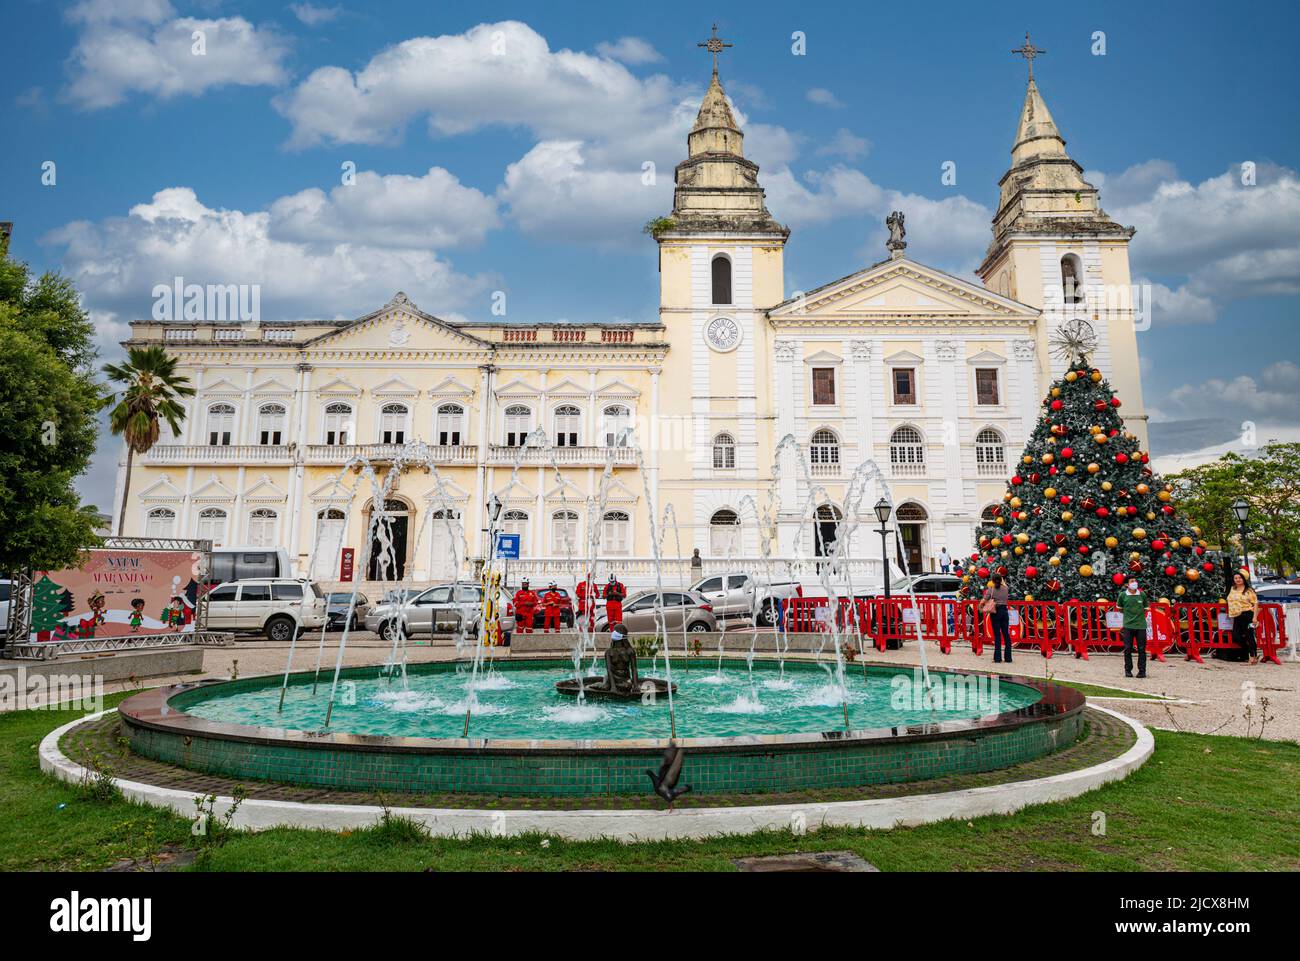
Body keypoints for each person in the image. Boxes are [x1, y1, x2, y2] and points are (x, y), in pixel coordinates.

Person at [1116, 576, 1148, 679]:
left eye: (1135, 580)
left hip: (1141, 626)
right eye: (1132, 581)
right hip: (1128, 626)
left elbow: (1145, 609)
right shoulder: (1122, 595)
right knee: (1128, 648)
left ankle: (1142, 671)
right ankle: (1128, 670)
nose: (1135, 583)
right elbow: (1120, 609)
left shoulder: (1142, 594)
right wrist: (1129, 617)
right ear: (1126, 584)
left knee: (1142, 649)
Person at [1227, 569, 1259, 665]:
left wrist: (1255, 618)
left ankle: (1252, 658)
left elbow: (1256, 604)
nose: (1237, 579)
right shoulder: (1232, 588)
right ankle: (1250, 653)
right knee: (1236, 637)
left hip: (1247, 614)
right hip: (1236, 616)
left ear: (1244, 579)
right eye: (1236, 578)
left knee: (1249, 636)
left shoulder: (1249, 590)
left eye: (1240, 578)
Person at [982, 574, 1012, 663]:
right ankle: (1008, 657)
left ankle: (997, 658)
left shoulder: (991, 589)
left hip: (995, 612)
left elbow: (984, 600)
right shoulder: (1006, 588)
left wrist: (980, 606)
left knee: (997, 635)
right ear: (1001, 580)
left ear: (993, 581)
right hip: (1004, 611)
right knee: (1006, 634)